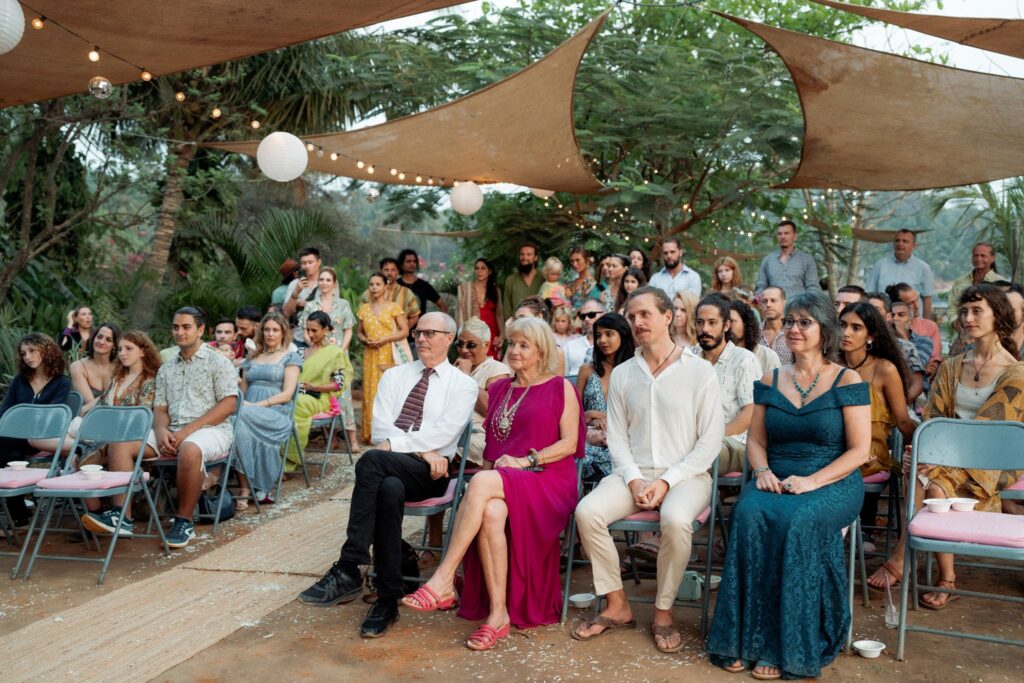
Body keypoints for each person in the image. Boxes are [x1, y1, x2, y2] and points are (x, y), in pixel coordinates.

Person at [706, 291, 871, 680]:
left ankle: (784, 645)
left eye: (804, 322)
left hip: (833, 479)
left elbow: (860, 451)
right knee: (747, 512)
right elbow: (758, 440)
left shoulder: (848, 378)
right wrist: (762, 471)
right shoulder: (771, 378)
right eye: (791, 321)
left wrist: (813, 481)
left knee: (798, 521)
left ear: (824, 329)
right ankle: (742, 639)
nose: (794, 329)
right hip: (777, 475)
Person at [401, 316, 583, 648]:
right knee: (491, 512)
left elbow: (570, 444)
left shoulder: (561, 387)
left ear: (541, 350)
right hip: (504, 480)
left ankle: (444, 577)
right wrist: (491, 473)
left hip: (548, 479)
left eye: (523, 345)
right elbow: (494, 447)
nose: (514, 350)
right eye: (511, 343)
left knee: (482, 484)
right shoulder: (499, 389)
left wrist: (527, 460)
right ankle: (498, 615)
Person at [298, 313, 477, 640]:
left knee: (370, 462)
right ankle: (387, 600)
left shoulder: (463, 385)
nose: (421, 339)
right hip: (404, 463)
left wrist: (417, 451)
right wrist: (422, 450)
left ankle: (350, 566)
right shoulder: (395, 376)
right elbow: (381, 429)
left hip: (431, 474)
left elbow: (444, 433)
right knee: (389, 488)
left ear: (449, 338)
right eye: (418, 333)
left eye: (430, 333)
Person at [573, 286, 723, 654]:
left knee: (674, 520)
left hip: (687, 475)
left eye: (645, 314)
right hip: (633, 472)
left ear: (668, 317)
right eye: (632, 315)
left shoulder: (700, 371)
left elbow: (710, 441)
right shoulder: (624, 373)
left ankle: (663, 611)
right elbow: (617, 436)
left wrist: (668, 480)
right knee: (586, 511)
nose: (637, 322)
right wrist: (635, 477)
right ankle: (617, 604)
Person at [866, 284, 1024, 606]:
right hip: (945, 460)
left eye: (977, 311)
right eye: (964, 311)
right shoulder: (953, 366)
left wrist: (932, 455)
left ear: (999, 317)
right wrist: (919, 452)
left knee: (929, 478)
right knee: (934, 485)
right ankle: (946, 578)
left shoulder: (1016, 373)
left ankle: (902, 557)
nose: (968, 318)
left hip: (995, 462)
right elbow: (933, 421)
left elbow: (988, 434)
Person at [152, 307, 239, 549]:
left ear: (200, 330)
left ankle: (183, 522)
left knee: (189, 448)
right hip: (172, 431)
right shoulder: (166, 368)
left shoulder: (218, 362)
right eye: (176, 327)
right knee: (125, 444)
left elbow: (229, 404)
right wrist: (160, 431)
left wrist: (186, 432)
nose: (180, 332)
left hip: (213, 430)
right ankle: (120, 516)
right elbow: (160, 408)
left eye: (186, 327)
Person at [70, 331, 162, 536]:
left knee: (119, 444)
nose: (122, 353)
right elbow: (102, 405)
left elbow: (143, 416)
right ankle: (98, 516)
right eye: (120, 349)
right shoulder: (118, 378)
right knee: (83, 460)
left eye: (129, 348)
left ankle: (123, 518)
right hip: (112, 432)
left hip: (143, 434)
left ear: (143, 352)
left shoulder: (151, 379)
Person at [839, 303, 917, 538]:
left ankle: (858, 529)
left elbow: (903, 421)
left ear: (871, 336)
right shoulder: (829, 365)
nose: (846, 332)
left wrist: (919, 450)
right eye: (842, 325)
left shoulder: (884, 369)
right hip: (831, 445)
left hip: (870, 452)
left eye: (856, 328)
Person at [230, 313, 302, 508]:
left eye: (275, 330)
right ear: (261, 332)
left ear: (283, 333)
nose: (270, 334)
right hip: (247, 411)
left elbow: (287, 394)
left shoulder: (290, 357)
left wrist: (256, 406)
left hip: (276, 412)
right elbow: (242, 391)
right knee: (235, 420)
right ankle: (245, 488)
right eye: (267, 329)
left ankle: (221, 478)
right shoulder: (252, 357)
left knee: (238, 417)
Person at [0, 334, 71, 527]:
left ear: (47, 351)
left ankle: (18, 515)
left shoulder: (61, 382)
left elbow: (52, 416)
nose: (27, 357)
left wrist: (21, 419)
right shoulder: (19, 380)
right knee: (11, 455)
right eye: (23, 353)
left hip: (41, 437)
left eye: (32, 351)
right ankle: (19, 516)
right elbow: (5, 411)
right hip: (13, 438)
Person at [695, 295, 761, 474]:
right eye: (700, 322)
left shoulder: (745, 360)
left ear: (726, 325)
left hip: (734, 443)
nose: (704, 329)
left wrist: (709, 439)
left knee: (697, 454)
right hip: (693, 442)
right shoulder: (688, 358)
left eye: (712, 323)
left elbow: (750, 413)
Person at [286, 312, 354, 470]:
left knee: (295, 406)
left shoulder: (334, 352)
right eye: (308, 330)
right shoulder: (300, 352)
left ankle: (289, 461)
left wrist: (314, 387)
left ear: (326, 330)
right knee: (282, 405)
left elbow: (338, 383)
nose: (310, 334)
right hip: (297, 394)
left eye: (314, 330)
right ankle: (276, 458)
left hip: (319, 398)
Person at [299, 267, 357, 442]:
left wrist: (338, 350)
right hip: (318, 355)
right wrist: (315, 347)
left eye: (328, 280)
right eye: (321, 280)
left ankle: (352, 439)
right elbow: (304, 330)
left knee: (344, 395)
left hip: (339, 355)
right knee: (319, 391)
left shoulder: (343, 304)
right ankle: (330, 439)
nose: (324, 283)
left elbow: (348, 331)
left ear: (334, 283)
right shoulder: (311, 305)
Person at [576, 313, 635, 484]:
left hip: (624, 441)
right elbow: (573, 413)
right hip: (590, 440)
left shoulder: (635, 371)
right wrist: (592, 414)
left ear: (622, 335)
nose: (602, 340)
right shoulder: (587, 370)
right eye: (599, 335)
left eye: (609, 334)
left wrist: (608, 419)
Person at [356, 272, 410, 444]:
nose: (374, 288)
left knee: (388, 393)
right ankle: (370, 434)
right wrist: (366, 340)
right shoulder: (363, 309)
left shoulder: (393, 307)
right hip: (370, 354)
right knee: (369, 393)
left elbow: (404, 331)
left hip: (388, 353)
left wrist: (385, 339)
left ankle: (389, 435)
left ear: (385, 286)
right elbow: (359, 333)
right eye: (371, 284)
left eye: (377, 284)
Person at [867, 293, 926, 404]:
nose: (869, 314)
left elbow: (917, 384)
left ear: (889, 316)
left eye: (876, 310)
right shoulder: (856, 344)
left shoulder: (906, 347)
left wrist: (899, 405)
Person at [866, 229, 936, 320]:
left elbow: (927, 299)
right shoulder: (880, 265)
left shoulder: (923, 268)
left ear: (914, 245)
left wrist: (926, 325)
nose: (900, 244)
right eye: (897, 240)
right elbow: (870, 294)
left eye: (905, 241)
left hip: (912, 324)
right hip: (884, 323)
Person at [887, 282, 942, 375]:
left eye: (917, 300)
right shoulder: (889, 329)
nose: (917, 306)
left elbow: (934, 361)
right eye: (910, 303)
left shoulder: (929, 326)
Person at [755, 219, 819, 295]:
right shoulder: (767, 260)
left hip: (798, 306)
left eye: (786, 233)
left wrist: (807, 305)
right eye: (779, 234)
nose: (782, 236)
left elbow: (812, 289)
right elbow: (761, 287)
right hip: (773, 306)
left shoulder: (807, 260)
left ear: (795, 236)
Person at [456, 258, 504, 359]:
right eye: (477, 268)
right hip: (474, 332)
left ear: (489, 271)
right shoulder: (466, 288)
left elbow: (499, 314)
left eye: (483, 268)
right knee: (473, 360)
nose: (479, 271)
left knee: (491, 365)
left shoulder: (495, 290)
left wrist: (502, 335)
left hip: (492, 333)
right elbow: (459, 312)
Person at [510, 297, 566, 376]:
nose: (518, 323)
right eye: (515, 319)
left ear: (539, 317)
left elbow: (558, 385)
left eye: (522, 317)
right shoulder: (514, 348)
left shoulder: (556, 352)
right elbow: (507, 377)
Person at [68, 322, 119, 407]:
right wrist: (112, 396)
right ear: (93, 338)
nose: (101, 342)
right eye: (99, 337)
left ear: (114, 345)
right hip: (87, 417)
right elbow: (90, 405)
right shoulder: (77, 367)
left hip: (114, 416)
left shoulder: (120, 368)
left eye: (108, 340)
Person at [282, 247, 324, 347]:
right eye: (304, 263)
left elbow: (332, 308)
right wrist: (296, 292)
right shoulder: (294, 284)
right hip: (299, 337)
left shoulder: (327, 282)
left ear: (319, 262)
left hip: (323, 337)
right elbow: (287, 312)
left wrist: (304, 304)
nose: (307, 266)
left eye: (310, 262)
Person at [947, 242, 1002, 318]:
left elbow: (1002, 311)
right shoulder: (959, 282)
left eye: (983, 256)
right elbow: (952, 310)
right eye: (975, 255)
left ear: (992, 258)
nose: (978, 259)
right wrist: (958, 325)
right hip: (963, 327)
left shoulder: (1000, 283)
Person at [729, 299, 781, 375]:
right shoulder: (717, 356)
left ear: (746, 324)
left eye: (731, 321)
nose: (727, 327)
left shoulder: (767, 356)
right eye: (724, 322)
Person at [398, 248, 447, 315]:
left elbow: (443, 306)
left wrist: (434, 322)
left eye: (414, 261)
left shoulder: (424, 286)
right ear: (401, 265)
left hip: (420, 325)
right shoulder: (395, 285)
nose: (412, 264)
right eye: (408, 261)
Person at [563, 299, 603, 381]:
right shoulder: (570, 346)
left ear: (604, 314)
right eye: (583, 316)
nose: (586, 319)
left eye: (591, 314)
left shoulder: (612, 345)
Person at [502, 243, 543, 317]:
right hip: (516, 326)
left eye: (528, 254)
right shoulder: (511, 280)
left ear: (536, 257)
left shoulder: (544, 278)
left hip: (539, 326)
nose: (524, 257)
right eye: (522, 254)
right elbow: (507, 309)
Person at [759, 286, 793, 365]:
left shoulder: (795, 332)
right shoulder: (754, 333)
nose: (768, 305)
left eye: (773, 300)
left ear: (784, 303)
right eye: (764, 301)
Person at [566, 246, 599, 311]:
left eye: (578, 260)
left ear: (586, 260)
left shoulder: (592, 284)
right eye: (572, 261)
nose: (574, 264)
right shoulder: (570, 283)